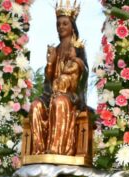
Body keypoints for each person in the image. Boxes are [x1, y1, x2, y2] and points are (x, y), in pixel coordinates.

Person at [28, 3, 88, 157]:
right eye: (58, 24)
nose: (61, 27)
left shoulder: (78, 47)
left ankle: (57, 150)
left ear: (72, 26)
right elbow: (48, 79)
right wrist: (50, 62)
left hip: (69, 95)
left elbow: (84, 73)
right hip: (52, 92)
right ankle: (38, 150)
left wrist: (77, 61)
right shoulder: (55, 49)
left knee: (59, 102)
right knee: (35, 106)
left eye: (65, 23)